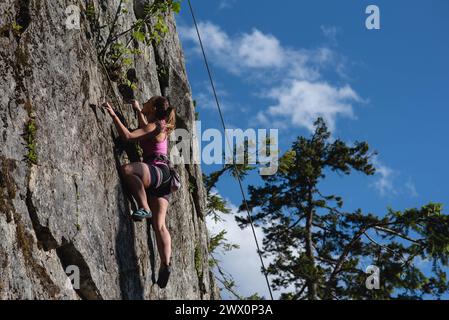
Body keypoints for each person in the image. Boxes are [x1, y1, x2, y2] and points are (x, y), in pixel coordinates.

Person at [103, 96, 175, 287]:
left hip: (156, 170)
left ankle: (143, 207)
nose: (143, 103)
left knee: (128, 170)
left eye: (146, 102)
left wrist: (112, 114)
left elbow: (128, 136)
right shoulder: (159, 125)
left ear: (152, 107)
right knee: (159, 225)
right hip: (165, 176)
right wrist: (137, 110)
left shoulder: (156, 126)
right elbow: (145, 128)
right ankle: (165, 264)